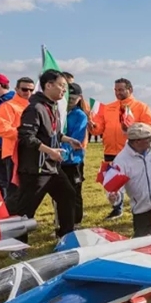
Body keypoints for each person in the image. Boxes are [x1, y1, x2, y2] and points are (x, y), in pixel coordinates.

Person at [7, 70, 78, 241]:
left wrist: (67, 139)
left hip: (52, 167)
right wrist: (50, 151)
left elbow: (51, 133)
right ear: (48, 85)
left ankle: (65, 236)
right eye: (61, 86)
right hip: (35, 169)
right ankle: (17, 245)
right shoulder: (35, 108)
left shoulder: (53, 106)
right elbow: (26, 137)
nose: (64, 90)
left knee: (68, 196)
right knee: (26, 209)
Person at [92, 77, 151, 220]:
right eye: (115, 90)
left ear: (130, 90)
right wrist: (93, 126)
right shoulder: (108, 108)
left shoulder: (141, 107)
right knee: (112, 183)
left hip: (132, 151)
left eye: (121, 90)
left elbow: (149, 127)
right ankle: (116, 208)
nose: (117, 93)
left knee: (135, 182)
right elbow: (99, 129)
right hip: (110, 151)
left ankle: (141, 208)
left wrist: (132, 129)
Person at [0, 76, 34, 198]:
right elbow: (0, 129)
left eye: (31, 90)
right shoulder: (8, 106)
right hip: (13, 153)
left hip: (30, 151)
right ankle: (12, 214)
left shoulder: (34, 106)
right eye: (24, 89)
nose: (28, 93)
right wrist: (23, 134)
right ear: (16, 89)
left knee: (28, 187)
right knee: (14, 188)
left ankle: (24, 213)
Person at [60, 82, 89, 226]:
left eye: (73, 98)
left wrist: (64, 152)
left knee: (74, 192)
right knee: (60, 194)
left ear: (79, 98)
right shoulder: (58, 112)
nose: (70, 100)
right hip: (57, 159)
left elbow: (76, 137)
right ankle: (61, 220)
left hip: (73, 160)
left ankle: (76, 221)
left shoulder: (80, 115)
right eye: (68, 97)